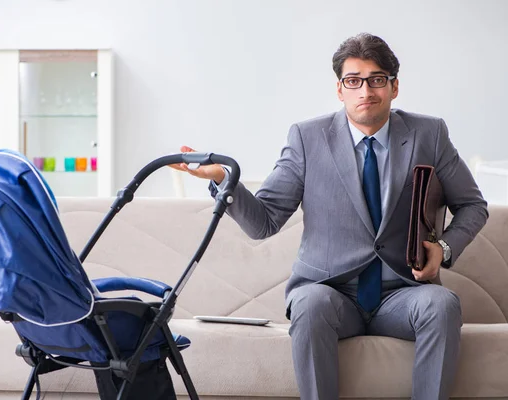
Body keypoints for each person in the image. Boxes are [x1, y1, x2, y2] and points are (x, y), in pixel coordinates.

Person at [170, 33, 488, 399]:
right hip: (332, 294)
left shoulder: (429, 134)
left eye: (377, 79)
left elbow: (472, 205)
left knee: (443, 304)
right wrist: (225, 180)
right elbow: (264, 221)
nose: (365, 91)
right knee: (309, 302)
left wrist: (443, 248)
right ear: (340, 90)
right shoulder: (307, 138)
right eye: (354, 81)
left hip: (404, 293)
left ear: (394, 86)